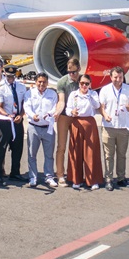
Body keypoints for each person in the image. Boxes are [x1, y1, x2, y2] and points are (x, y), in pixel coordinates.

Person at [98, 66, 129, 191]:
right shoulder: (105, 90)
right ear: (111, 77)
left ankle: (121, 178)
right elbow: (101, 106)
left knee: (122, 154)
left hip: (123, 127)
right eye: (115, 77)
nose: (118, 80)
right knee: (109, 155)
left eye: (120, 77)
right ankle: (108, 179)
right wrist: (105, 115)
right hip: (109, 126)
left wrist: (126, 106)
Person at [67, 74, 103, 190]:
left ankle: (92, 180)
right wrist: (72, 112)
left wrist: (89, 95)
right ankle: (76, 179)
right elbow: (67, 109)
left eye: (86, 84)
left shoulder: (93, 94)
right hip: (76, 122)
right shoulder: (74, 95)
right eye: (82, 83)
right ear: (79, 83)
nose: (84, 86)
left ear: (90, 84)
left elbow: (97, 105)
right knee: (76, 151)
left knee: (90, 152)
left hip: (89, 123)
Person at [24, 72, 59, 188]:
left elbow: (55, 107)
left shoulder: (52, 94)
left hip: (48, 127)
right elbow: (27, 106)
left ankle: (49, 177)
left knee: (49, 155)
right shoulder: (29, 93)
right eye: (39, 81)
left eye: (44, 82)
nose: (41, 84)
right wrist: (32, 115)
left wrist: (50, 113)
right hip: (34, 127)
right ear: (35, 82)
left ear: (47, 83)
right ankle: (33, 177)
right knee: (31, 154)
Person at [0, 65, 27, 184]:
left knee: (18, 148)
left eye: (12, 76)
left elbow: (24, 104)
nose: (10, 78)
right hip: (5, 121)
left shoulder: (21, 87)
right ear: (4, 74)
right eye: (8, 76)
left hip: (18, 120)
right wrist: (7, 116)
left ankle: (15, 173)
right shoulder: (0, 87)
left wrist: (21, 115)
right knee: (1, 147)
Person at [53, 57, 81, 186]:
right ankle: (60, 174)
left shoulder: (82, 81)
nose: (72, 75)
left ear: (79, 69)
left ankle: (74, 174)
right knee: (61, 146)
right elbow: (61, 100)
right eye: (69, 72)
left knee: (76, 147)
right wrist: (58, 111)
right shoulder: (62, 82)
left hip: (78, 117)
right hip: (64, 116)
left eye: (74, 72)